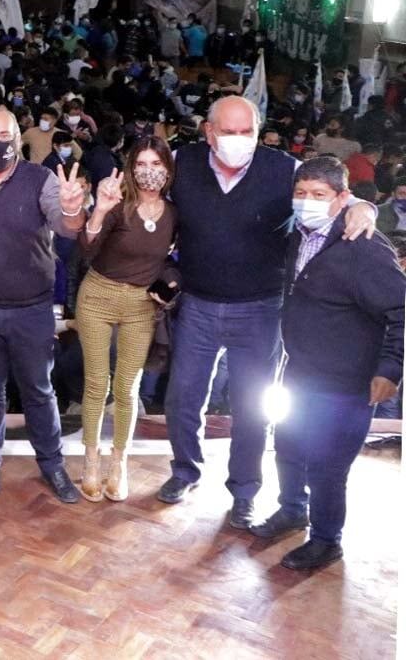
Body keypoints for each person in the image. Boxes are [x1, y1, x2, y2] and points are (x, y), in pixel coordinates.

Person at [159, 96, 378, 527]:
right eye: (228, 132)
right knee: (182, 396)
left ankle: (244, 491)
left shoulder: (283, 169)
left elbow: (332, 195)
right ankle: (185, 470)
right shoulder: (182, 164)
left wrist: (365, 207)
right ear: (208, 132)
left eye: (248, 133)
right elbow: (146, 198)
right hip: (199, 303)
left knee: (252, 406)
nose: (239, 141)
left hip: (260, 307)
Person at [249, 157, 404, 570]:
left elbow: (401, 307)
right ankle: (293, 508)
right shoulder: (301, 235)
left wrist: (390, 368)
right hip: (300, 371)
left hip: (346, 383)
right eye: (301, 194)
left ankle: (326, 539)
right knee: (288, 446)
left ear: (340, 199)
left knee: (327, 466)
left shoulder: (363, 247)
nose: (307, 202)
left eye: (319, 195)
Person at [0, 106, 86, 503]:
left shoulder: (40, 178)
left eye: (4, 135)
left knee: (39, 389)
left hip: (30, 308)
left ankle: (52, 464)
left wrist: (72, 206)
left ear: (17, 139)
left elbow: (66, 226)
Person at [75, 138, 178, 502]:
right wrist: (100, 211)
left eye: (156, 162)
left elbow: (175, 258)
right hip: (98, 295)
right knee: (96, 384)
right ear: (131, 168)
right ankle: (90, 460)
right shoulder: (119, 204)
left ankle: (118, 462)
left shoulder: (174, 212)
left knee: (127, 389)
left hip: (140, 305)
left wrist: (170, 282)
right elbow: (86, 249)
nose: (149, 170)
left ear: (167, 167)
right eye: (141, 163)